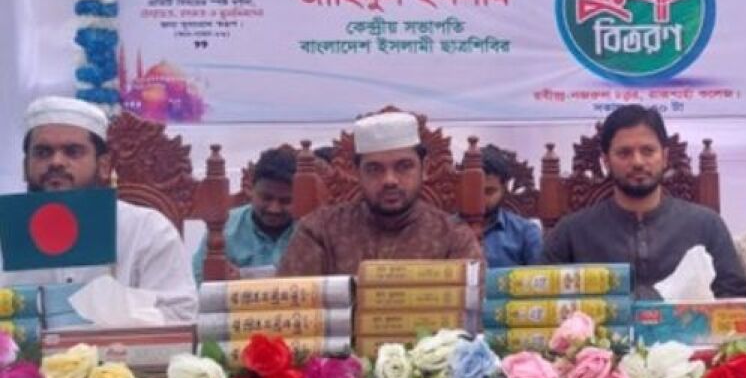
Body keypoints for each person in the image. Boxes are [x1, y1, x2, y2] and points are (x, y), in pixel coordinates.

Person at [0, 96, 197, 323]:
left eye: (73, 151)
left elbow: (180, 316)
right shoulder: (5, 231)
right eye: (43, 152)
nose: (56, 162)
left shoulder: (148, 230)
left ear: (103, 166)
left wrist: (112, 312)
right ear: (25, 167)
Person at [541, 105, 746, 299]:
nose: (638, 162)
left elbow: (737, 303)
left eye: (648, 151)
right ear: (606, 161)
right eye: (624, 153)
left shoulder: (706, 225)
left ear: (665, 157)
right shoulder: (571, 233)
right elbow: (540, 301)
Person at [277, 111, 482, 276]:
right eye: (374, 169)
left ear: (424, 168)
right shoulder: (319, 231)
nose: (389, 180)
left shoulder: (454, 237)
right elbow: (294, 303)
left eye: (404, 166)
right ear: (357, 173)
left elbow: (469, 309)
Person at [192, 147, 298, 282]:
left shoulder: (311, 230)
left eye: (285, 201)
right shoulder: (225, 228)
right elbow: (199, 278)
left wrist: (244, 276)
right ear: (250, 190)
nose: (274, 209)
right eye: (266, 198)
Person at [480, 145, 541, 268]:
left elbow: (540, 277)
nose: (481, 199)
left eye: (489, 192)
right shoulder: (447, 230)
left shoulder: (525, 232)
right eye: (474, 191)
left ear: (504, 189)